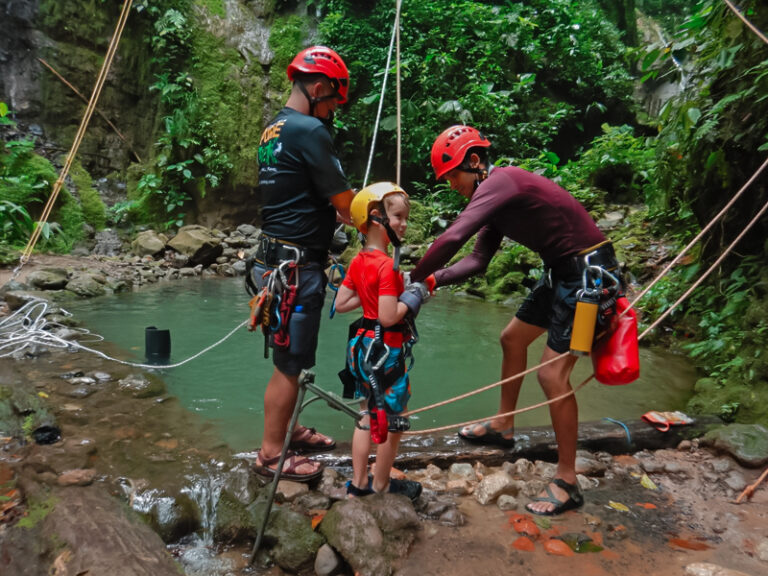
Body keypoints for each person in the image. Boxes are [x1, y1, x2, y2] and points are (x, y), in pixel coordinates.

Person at [409, 125, 623, 515]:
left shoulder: (503, 181)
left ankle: (567, 481)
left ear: (475, 162)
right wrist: (429, 281)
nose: (452, 184)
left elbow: (454, 238)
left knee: (552, 375)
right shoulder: (497, 204)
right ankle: (504, 424)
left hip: (589, 277)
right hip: (562, 272)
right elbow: (477, 260)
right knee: (512, 338)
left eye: (454, 175)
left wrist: (404, 280)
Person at [250, 46, 356, 483]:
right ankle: (272, 454)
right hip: (294, 270)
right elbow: (347, 205)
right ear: (318, 88)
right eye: (333, 102)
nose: (333, 112)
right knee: (289, 365)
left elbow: (296, 195)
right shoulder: (311, 130)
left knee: (289, 359)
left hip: (271, 262)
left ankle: (288, 431)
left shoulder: (272, 129)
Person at [333, 182, 428, 501]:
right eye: (399, 216)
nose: (404, 223)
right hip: (385, 351)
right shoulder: (387, 265)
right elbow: (390, 317)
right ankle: (382, 484)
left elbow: (342, 304)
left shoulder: (360, 261)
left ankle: (359, 482)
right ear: (376, 218)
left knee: (367, 414)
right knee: (393, 420)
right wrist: (416, 294)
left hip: (360, 349)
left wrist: (373, 292)